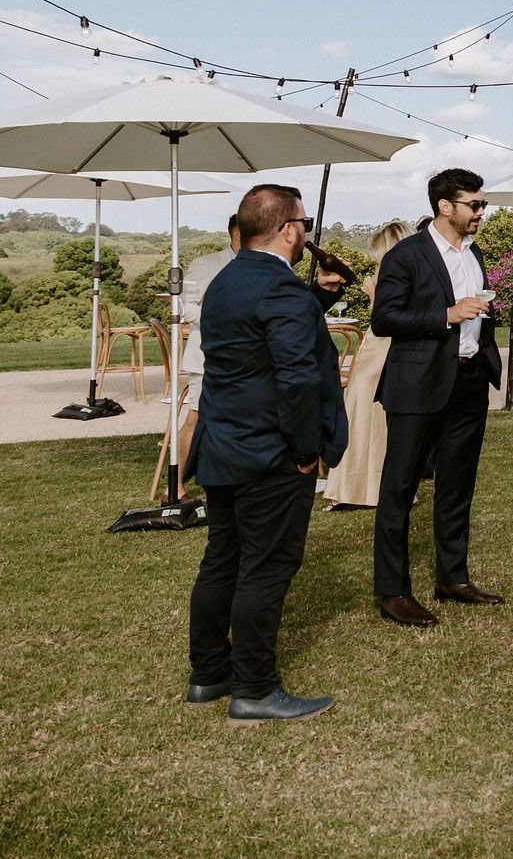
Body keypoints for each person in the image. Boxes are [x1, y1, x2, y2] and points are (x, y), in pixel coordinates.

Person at [183, 185, 347, 723]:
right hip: (271, 451)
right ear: (288, 228)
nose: (306, 231)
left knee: (223, 560)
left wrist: (317, 297)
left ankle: (209, 674)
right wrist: (306, 450)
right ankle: (254, 688)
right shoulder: (280, 289)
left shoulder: (226, 281)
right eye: (305, 222)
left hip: (224, 443)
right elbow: (297, 378)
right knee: (266, 567)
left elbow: (258, 342)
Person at [368, 169, 506, 628]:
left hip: (468, 382)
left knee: (457, 485)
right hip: (417, 384)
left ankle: (453, 578)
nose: (482, 212)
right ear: (445, 206)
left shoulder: (474, 252)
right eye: (475, 204)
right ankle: (393, 591)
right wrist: (446, 315)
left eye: (483, 204)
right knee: (400, 488)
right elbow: (384, 319)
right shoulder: (406, 254)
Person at [323, 220, 412, 511]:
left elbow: (386, 317)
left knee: (366, 412)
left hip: (382, 349)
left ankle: (364, 488)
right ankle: (359, 485)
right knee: (362, 413)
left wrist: (373, 297)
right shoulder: (403, 272)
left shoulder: (397, 274)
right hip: (376, 347)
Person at [175, 214, 243, 497]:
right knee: (196, 419)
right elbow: (184, 307)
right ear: (237, 234)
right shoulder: (207, 265)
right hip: (207, 358)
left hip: (244, 361)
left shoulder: (261, 267)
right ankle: (175, 487)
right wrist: (224, 320)